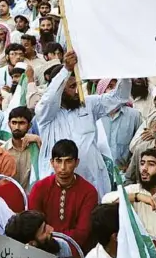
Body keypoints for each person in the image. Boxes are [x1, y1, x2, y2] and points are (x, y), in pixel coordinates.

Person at [36, 50, 131, 197]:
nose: (77, 90)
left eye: (78, 85)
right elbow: (49, 99)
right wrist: (66, 70)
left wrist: (124, 71)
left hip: (92, 179)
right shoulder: (46, 114)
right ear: (59, 89)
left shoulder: (88, 104)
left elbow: (120, 96)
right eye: (72, 87)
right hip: (60, 183)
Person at [28, 139, 98, 251]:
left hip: (76, 252)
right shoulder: (39, 188)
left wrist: (48, 235)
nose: (63, 168)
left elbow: (82, 234)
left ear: (77, 162)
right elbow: (33, 227)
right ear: (52, 163)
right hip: (43, 251)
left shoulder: (89, 192)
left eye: (68, 161)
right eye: (59, 161)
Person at [97, 78, 142, 170]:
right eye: (110, 87)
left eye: (118, 86)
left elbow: (140, 143)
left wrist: (131, 165)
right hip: (100, 172)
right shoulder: (94, 117)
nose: (115, 90)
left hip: (125, 173)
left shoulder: (134, 115)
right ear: (102, 92)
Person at [1, 106, 42, 190]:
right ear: (9, 124)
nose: (17, 127)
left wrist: (38, 139)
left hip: (32, 196)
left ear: (29, 125)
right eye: (14, 122)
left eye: (22, 123)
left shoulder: (37, 148)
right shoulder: (2, 150)